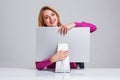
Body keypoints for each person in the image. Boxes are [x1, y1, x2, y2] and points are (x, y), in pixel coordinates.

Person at [36, 6, 97, 70]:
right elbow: (38, 66)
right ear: (44, 22)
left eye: (53, 14)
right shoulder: (43, 38)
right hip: (51, 73)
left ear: (56, 15)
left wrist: (74, 24)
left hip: (72, 71)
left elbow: (93, 28)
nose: (51, 19)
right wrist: (53, 59)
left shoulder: (69, 30)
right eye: (46, 17)